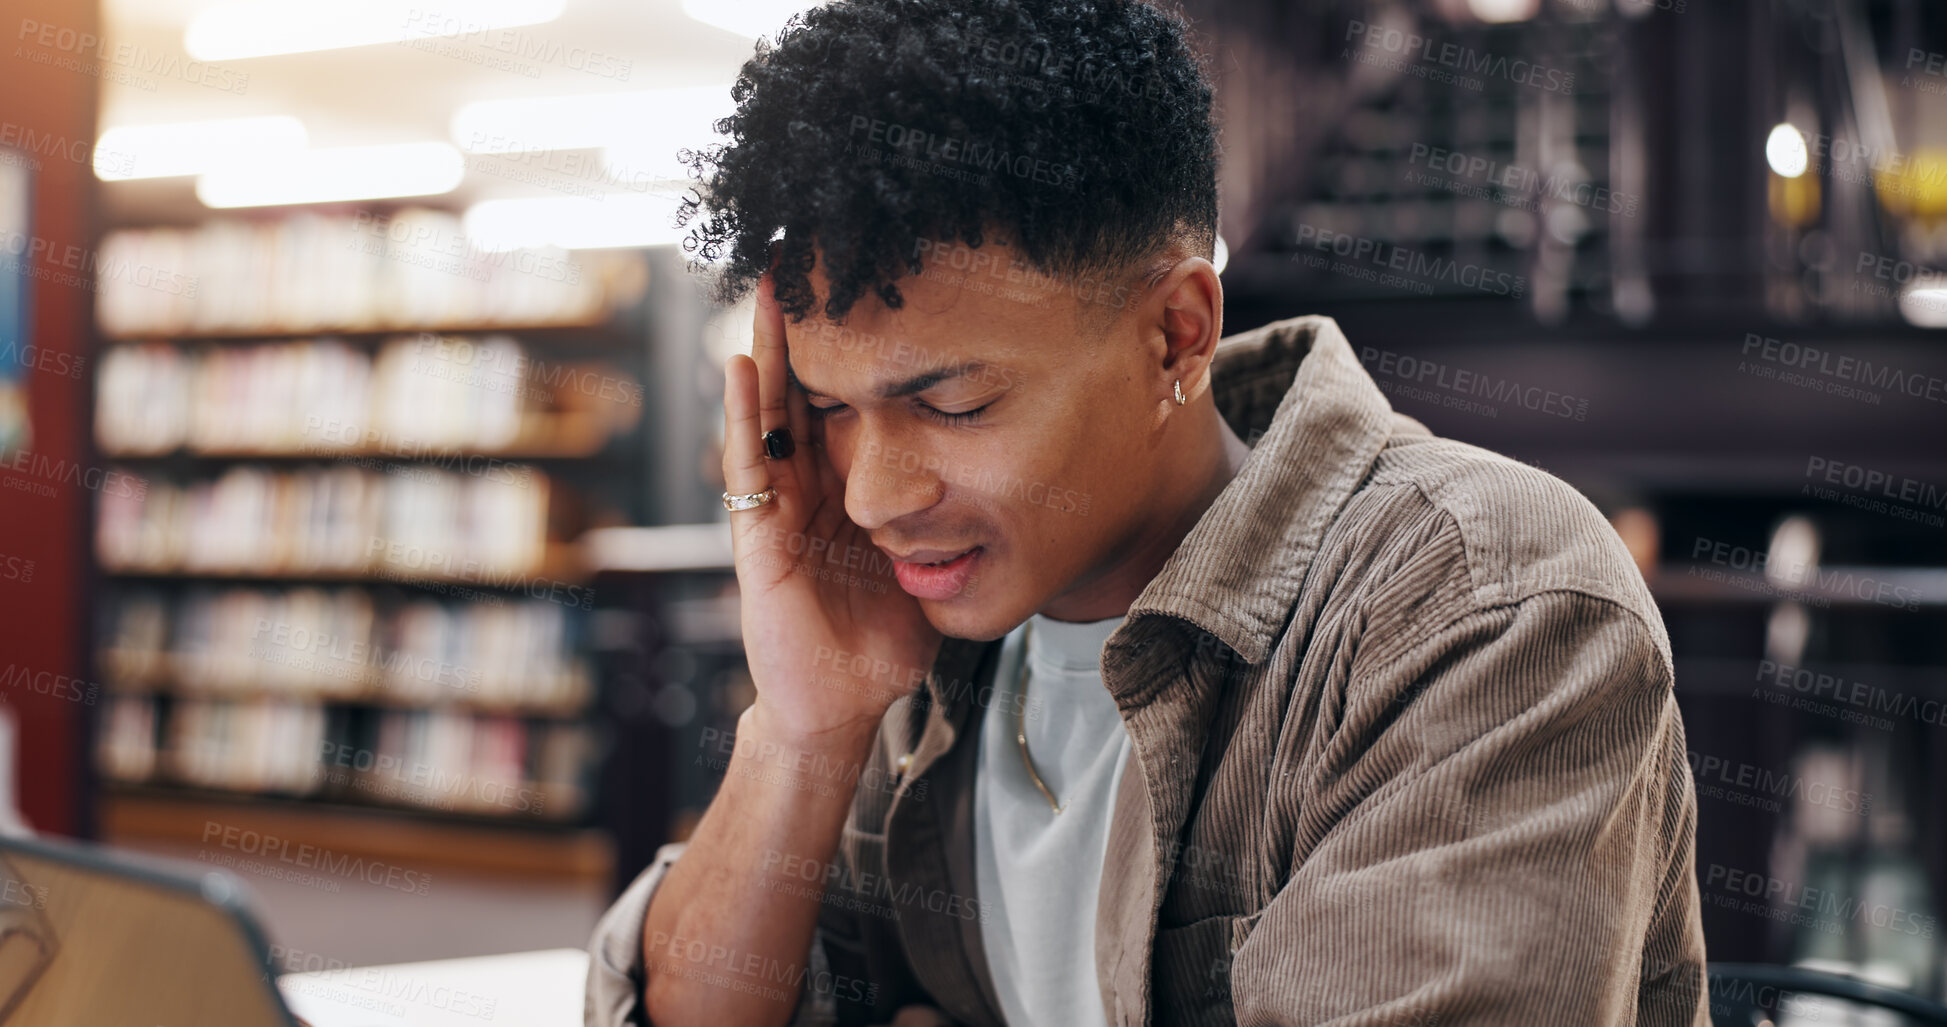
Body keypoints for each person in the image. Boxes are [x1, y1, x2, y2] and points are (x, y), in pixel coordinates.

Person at [585, 1, 1708, 1024]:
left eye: (955, 402)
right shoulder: (921, 640)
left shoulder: (1481, 603)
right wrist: (805, 730)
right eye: (828, 407)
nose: (874, 495)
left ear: (1175, 333)